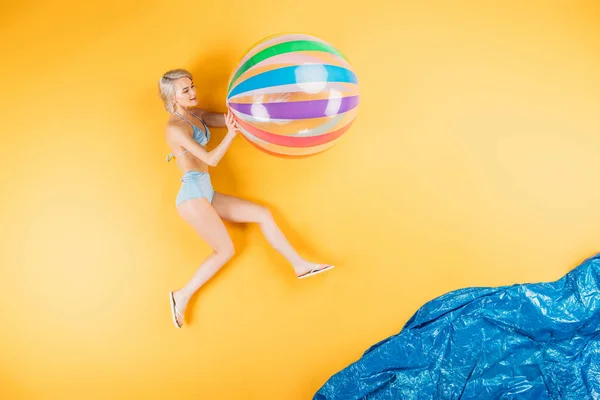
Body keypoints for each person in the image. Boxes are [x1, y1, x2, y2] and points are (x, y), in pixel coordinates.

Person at [159, 69, 334, 328]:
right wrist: (230, 134)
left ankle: (300, 265)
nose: (193, 92)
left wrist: (273, 104)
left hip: (205, 191)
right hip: (192, 195)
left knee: (262, 214)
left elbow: (236, 119)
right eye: (185, 90)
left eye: (192, 86)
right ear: (172, 98)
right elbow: (211, 159)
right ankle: (181, 295)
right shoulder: (174, 128)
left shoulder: (197, 114)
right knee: (225, 250)